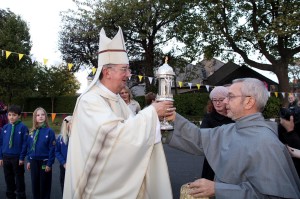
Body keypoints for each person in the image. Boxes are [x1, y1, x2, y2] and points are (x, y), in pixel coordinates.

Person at [63, 27, 173, 199]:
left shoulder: (117, 99)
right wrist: (152, 113)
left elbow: (131, 130)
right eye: (124, 69)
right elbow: (114, 137)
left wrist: (154, 118)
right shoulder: (89, 100)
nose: (128, 74)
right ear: (107, 72)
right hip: (95, 187)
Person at [167, 78, 300, 198]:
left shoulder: (266, 142)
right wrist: (170, 119)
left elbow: (274, 196)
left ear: (249, 102)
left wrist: (217, 189)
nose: (224, 101)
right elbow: (199, 138)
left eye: (230, 96)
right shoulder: (232, 128)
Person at [200, 86, 234, 181]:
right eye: (214, 100)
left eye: (221, 99)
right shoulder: (209, 118)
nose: (217, 103)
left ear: (227, 100)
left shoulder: (234, 116)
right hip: (213, 158)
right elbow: (203, 134)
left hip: (232, 159)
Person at [26, 107, 56, 199]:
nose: (40, 117)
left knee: (44, 184)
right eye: (38, 115)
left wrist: (49, 163)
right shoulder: (32, 131)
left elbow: (52, 149)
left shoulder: (49, 131)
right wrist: (28, 160)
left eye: (42, 115)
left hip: (44, 162)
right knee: (35, 184)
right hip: (34, 161)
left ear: (46, 117)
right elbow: (29, 147)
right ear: (35, 118)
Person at [0, 105, 28, 199]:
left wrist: (22, 157)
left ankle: (21, 195)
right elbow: (1, 143)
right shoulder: (5, 127)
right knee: (8, 178)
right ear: (7, 115)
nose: (11, 117)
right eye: (9, 115)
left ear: (19, 116)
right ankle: (10, 195)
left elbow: (25, 144)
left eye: (14, 115)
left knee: (19, 178)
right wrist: (0, 157)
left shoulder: (23, 127)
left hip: (17, 158)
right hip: (5, 157)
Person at [55, 115, 72, 194]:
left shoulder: (76, 138)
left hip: (74, 166)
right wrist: (63, 163)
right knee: (64, 183)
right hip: (64, 165)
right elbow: (57, 151)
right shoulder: (60, 138)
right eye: (71, 123)